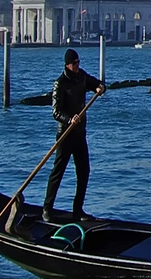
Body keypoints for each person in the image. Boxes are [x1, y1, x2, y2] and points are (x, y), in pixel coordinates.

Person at [42, 48, 105, 224]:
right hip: (65, 134)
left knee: (84, 171)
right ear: (68, 65)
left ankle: (77, 211)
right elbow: (56, 112)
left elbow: (96, 83)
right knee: (58, 171)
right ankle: (47, 209)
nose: (78, 65)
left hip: (79, 134)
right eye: (75, 63)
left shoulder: (82, 77)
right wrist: (70, 119)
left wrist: (100, 87)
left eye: (79, 62)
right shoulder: (60, 84)